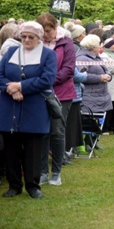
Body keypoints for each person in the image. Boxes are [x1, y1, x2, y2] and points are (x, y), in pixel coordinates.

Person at [0, 21, 57, 198]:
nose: (26, 40)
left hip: (35, 107)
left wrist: (21, 86)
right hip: (10, 105)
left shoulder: (48, 55)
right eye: (23, 36)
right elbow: (0, 75)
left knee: (33, 148)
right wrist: (10, 89)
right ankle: (14, 185)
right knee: (11, 148)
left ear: (38, 38)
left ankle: (33, 186)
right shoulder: (11, 52)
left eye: (30, 37)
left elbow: (46, 79)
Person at [37, 13, 76, 187]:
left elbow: (68, 69)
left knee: (57, 132)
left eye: (48, 30)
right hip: (39, 94)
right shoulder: (36, 44)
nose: (46, 34)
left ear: (56, 27)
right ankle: (42, 171)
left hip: (62, 94)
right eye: (43, 31)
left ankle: (57, 172)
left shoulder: (66, 43)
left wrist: (46, 80)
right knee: (42, 133)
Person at [76, 34, 114, 134]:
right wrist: (100, 78)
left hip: (101, 94)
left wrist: (108, 76)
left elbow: (106, 69)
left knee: (98, 119)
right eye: (98, 44)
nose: (100, 46)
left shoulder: (97, 57)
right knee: (89, 120)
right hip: (90, 95)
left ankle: (94, 140)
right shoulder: (82, 58)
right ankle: (87, 141)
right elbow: (80, 76)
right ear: (93, 47)